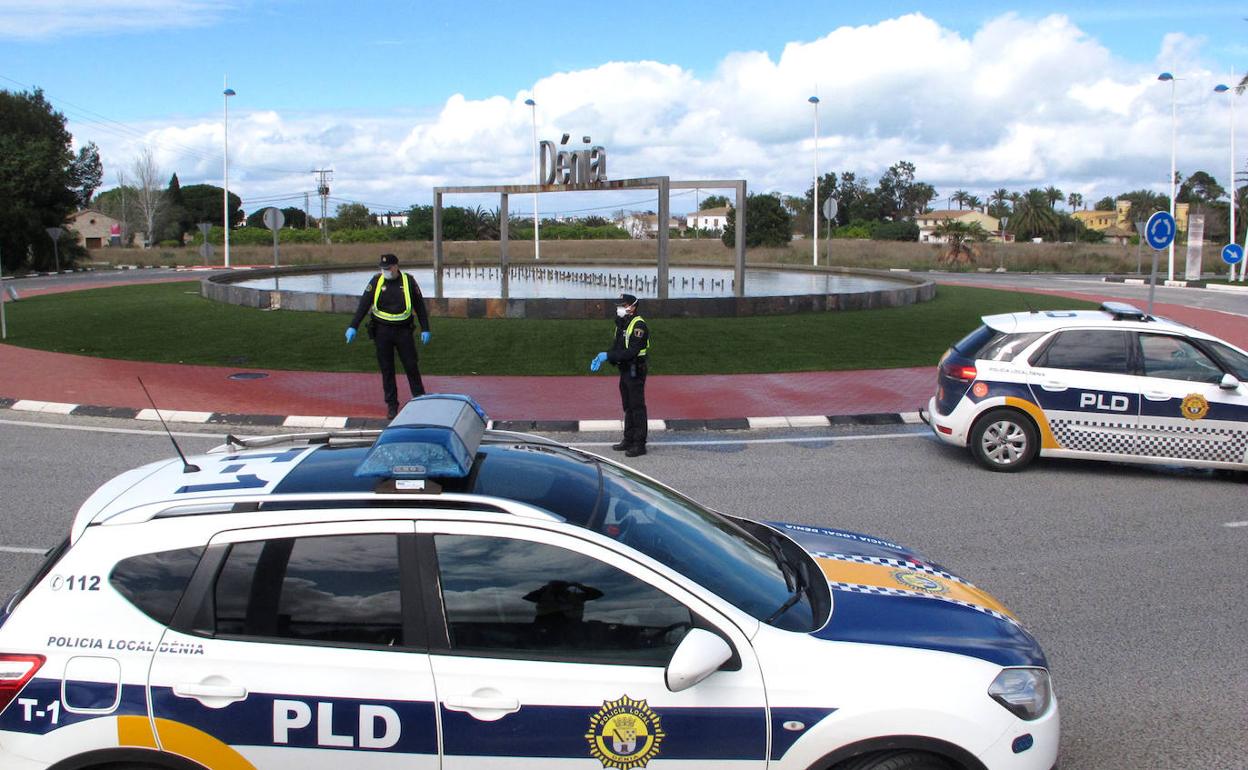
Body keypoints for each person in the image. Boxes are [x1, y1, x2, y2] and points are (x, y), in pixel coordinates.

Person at [345, 253, 431, 419]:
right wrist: (353, 326)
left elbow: (419, 306)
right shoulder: (376, 281)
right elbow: (364, 304)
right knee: (387, 369)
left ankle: (420, 400)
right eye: (383, 268)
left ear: (396, 266)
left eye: (388, 268)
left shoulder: (408, 281)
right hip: (382, 331)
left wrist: (425, 328)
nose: (385, 271)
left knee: (411, 365)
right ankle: (392, 405)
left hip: (404, 331)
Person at [590, 293, 649, 457]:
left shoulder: (639, 326)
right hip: (625, 370)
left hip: (635, 370)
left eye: (623, 305)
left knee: (637, 407)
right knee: (628, 405)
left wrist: (607, 356)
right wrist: (604, 356)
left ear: (632, 307)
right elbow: (617, 347)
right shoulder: (622, 324)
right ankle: (628, 439)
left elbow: (631, 352)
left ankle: (639, 444)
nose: (620, 308)